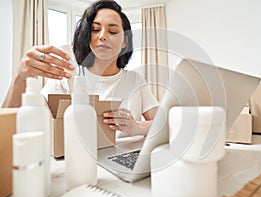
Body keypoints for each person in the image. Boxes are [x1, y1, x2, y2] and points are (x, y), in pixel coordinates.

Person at [2, 0, 159, 137]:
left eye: (113, 31)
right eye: (95, 29)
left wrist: (137, 127)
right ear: (86, 36)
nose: (103, 36)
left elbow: (166, 123)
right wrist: (20, 77)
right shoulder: (66, 78)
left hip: (123, 162)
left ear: (125, 41)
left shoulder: (135, 81)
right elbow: (7, 128)